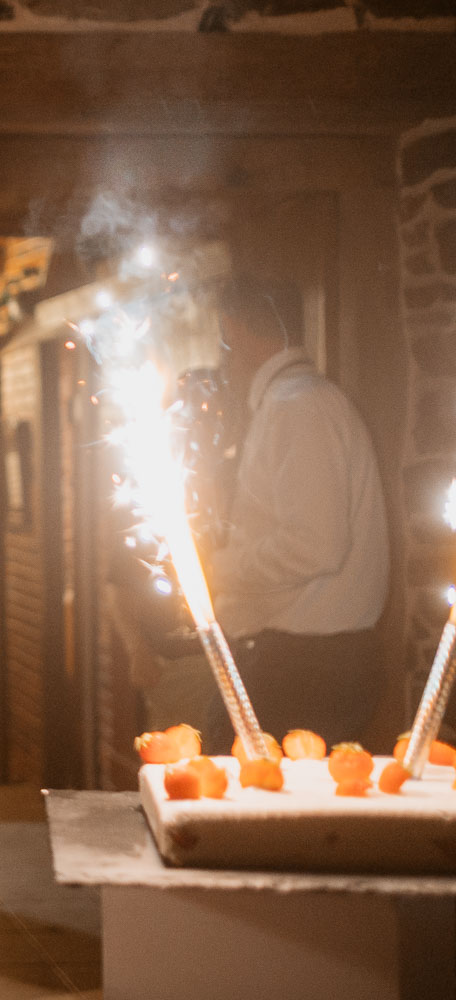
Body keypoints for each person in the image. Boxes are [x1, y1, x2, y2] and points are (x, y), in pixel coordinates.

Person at [203, 277, 389, 749]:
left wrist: (215, 570)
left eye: (224, 335)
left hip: (305, 666)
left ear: (236, 327)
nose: (222, 352)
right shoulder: (292, 403)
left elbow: (314, 546)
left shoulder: (299, 406)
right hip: (301, 661)